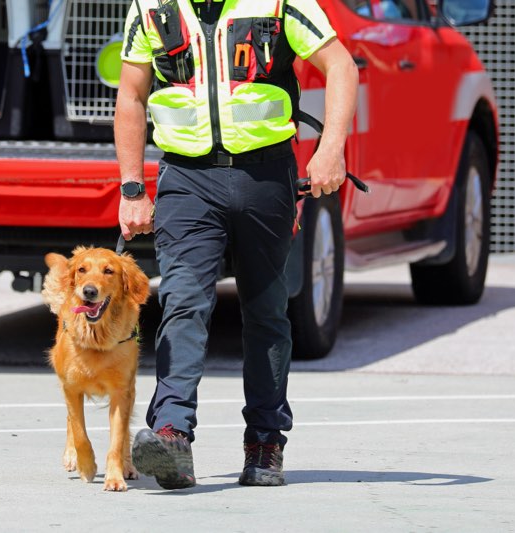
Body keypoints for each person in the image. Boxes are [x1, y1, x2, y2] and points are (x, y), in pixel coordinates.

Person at [114, 0, 358, 489]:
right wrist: (133, 188)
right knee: (183, 302)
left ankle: (265, 443)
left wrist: (330, 149)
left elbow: (341, 66)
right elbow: (132, 94)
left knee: (266, 312)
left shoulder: (279, 2)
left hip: (265, 177)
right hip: (186, 179)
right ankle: (172, 435)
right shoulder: (150, 7)